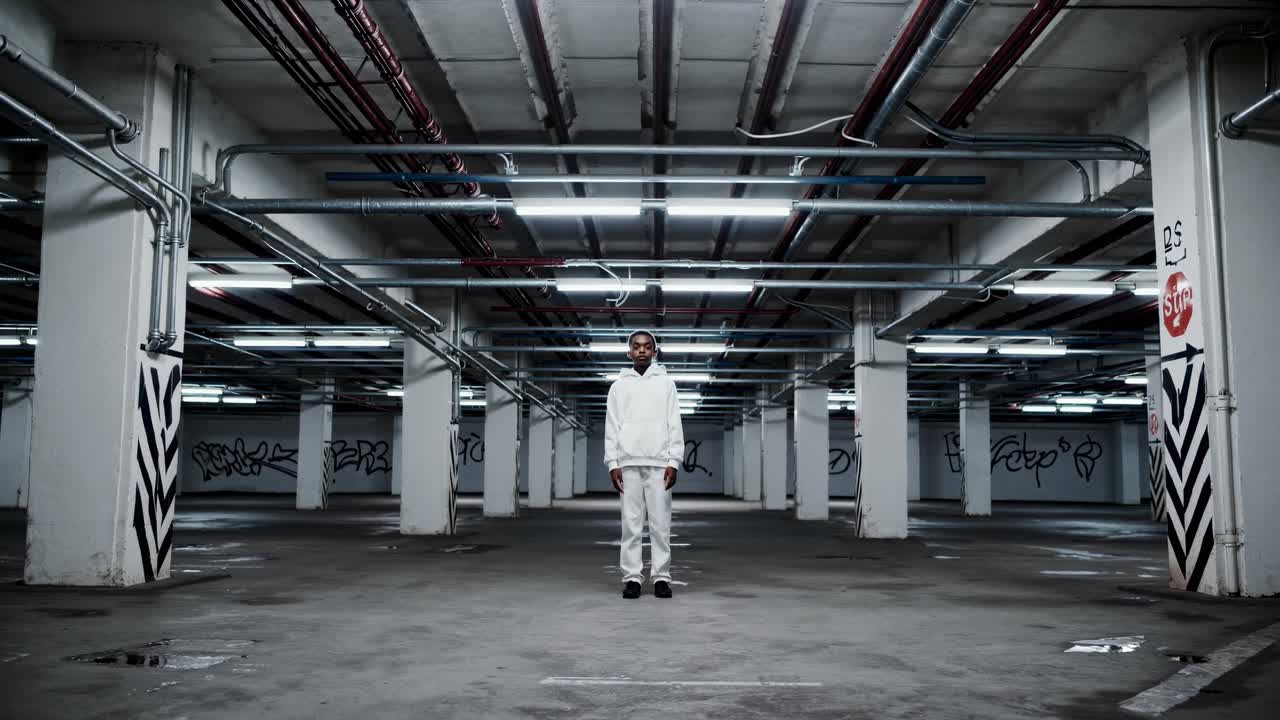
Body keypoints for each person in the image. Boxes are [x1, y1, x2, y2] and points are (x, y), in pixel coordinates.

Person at [604, 330, 684, 599]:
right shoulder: (618, 387)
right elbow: (612, 427)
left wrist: (674, 460)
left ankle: (661, 577)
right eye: (636, 347)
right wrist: (612, 463)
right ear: (629, 352)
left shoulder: (666, 385)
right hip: (628, 462)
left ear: (654, 351)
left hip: (659, 462)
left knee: (661, 524)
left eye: (647, 347)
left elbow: (674, 423)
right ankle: (632, 578)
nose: (641, 351)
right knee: (631, 523)